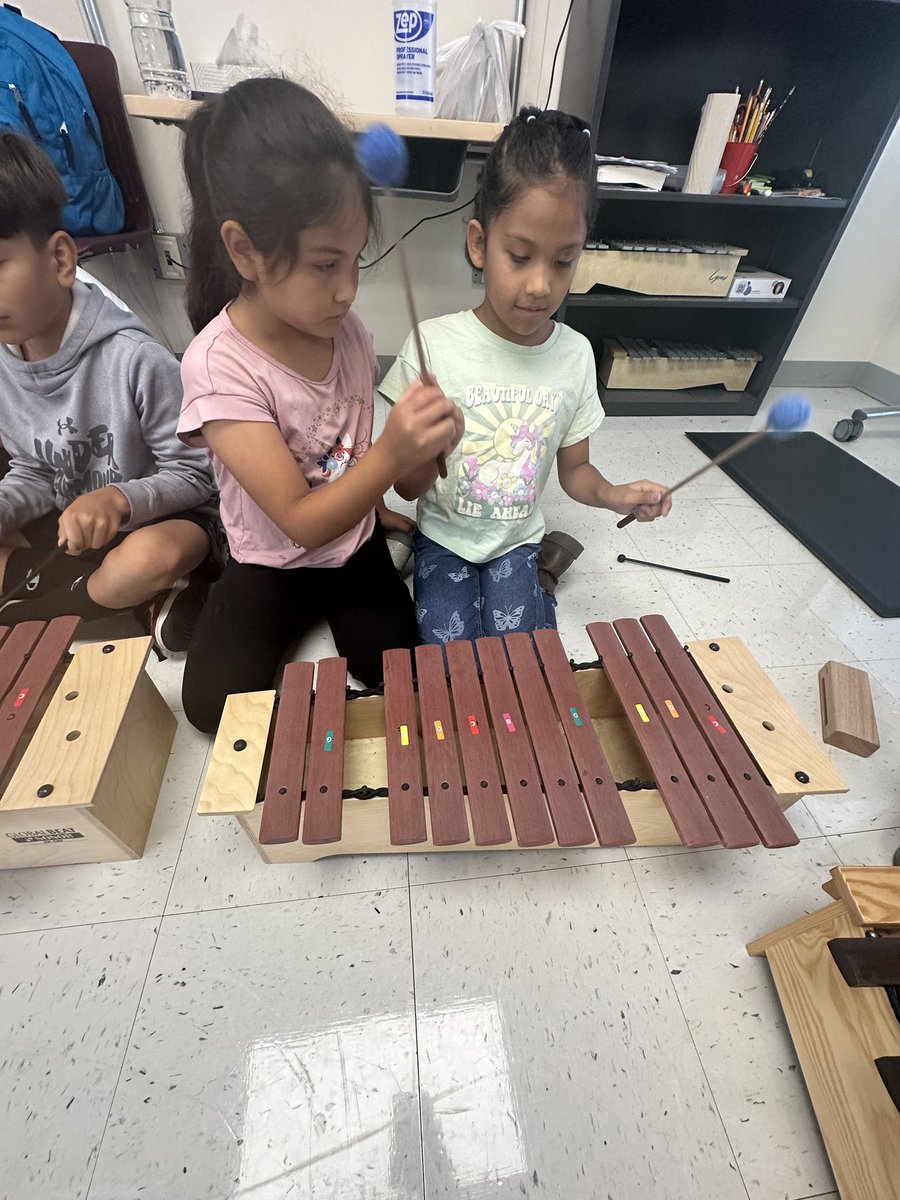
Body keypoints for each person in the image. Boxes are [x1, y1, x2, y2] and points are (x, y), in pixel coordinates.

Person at [177, 78, 461, 733]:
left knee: (403, 676)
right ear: (245, 250)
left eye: (355, 261)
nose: (347, 291)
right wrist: (393, 451)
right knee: (211, 708)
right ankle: (238, 603)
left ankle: (327, 606)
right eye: (325, 265)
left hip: (352, 541)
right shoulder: (219, 367)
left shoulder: (349, 334)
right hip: (270, 560)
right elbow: (302, 523)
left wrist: (423, 451)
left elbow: (383, 470)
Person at [380, 106, 671, 645]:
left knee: (524, 653)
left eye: (563, 262)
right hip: (445, 538)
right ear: (478, 245)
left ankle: (544, 570)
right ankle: (545, 572)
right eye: (520, 256)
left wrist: (613, 495)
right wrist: (425, 451)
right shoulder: (434, 346)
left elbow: (576, 472)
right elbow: (403, 484)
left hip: (516, 540)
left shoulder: (576, 356)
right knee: (448, 655)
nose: (540, 284)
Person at [0, 132, 219, 652]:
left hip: (163, 521)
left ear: (59, 259)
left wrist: (121, 498)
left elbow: (199, 475)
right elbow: (33, 469)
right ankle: (116, 602)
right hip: (72, 530)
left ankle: (48, 607)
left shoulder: (134, 358)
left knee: (150, 558)